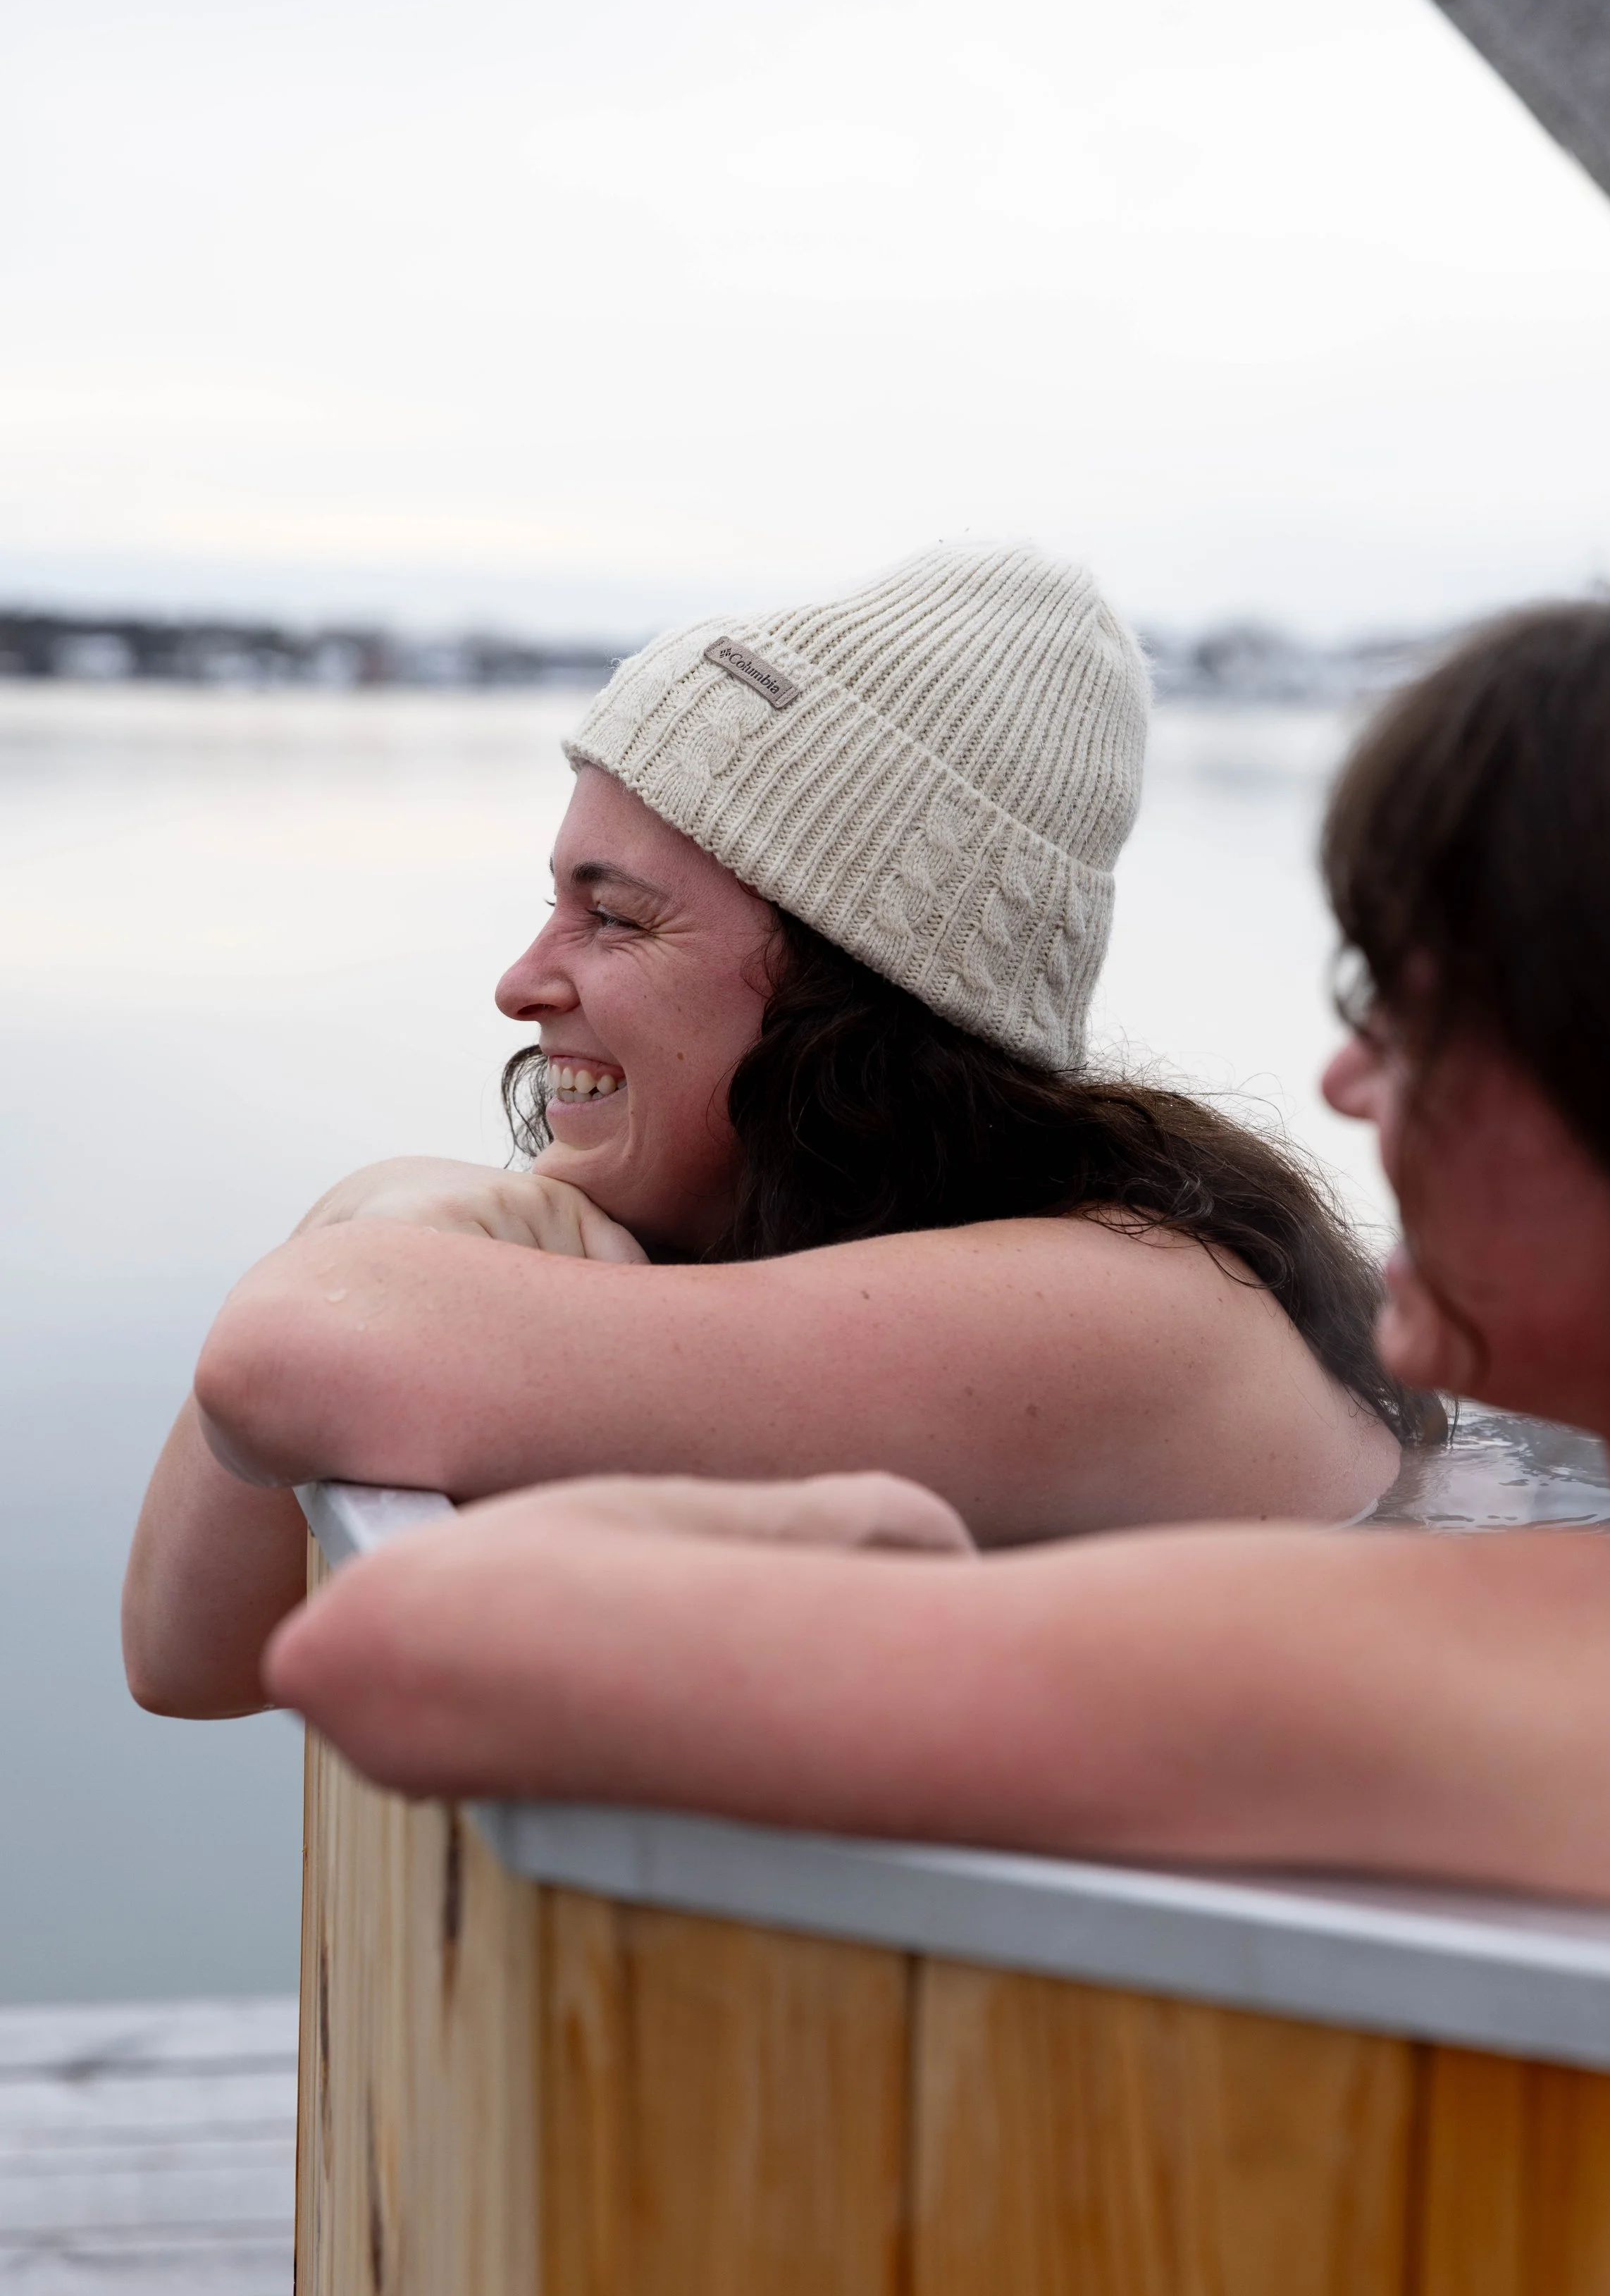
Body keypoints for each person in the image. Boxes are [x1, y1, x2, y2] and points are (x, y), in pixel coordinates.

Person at [266, 586, 1610, 1918]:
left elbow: (391, 1648)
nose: (1349, 1082)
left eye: (1414, 1006)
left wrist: (865, 1541)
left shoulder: (1562, 1671)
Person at [125, 544, 1413, 1720]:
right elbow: (193, 1655)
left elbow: (283, 1361)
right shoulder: (786, 1263)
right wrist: (364, 1227)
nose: (521, 982)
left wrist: (374, 1216)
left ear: (851, 995)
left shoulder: (1130, 1309)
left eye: (615, 918)